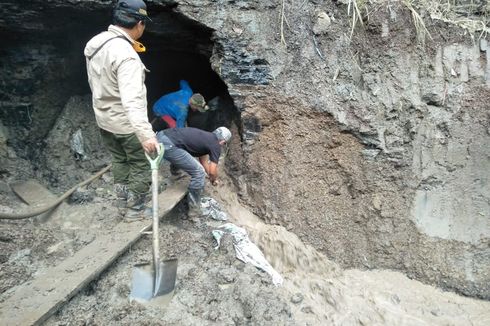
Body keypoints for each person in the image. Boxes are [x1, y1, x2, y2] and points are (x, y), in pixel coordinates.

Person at [84, 0, 158, 218]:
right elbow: (131, 100)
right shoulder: (127, 56)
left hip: (104, 120)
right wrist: (146, 135)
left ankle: (121, 202)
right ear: (140, 23)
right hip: (126, 124)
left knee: (119, 160)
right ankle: (135, 210)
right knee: (140, 164)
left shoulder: (96, 42)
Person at [156, 127, 232, 220]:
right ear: (223, 141)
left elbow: (203, 161)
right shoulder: (215, 145)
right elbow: (212, 171)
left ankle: (177, 176)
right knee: (199, 173)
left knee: (182, 152)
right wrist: (214, 179)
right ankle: (194, 211)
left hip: (161, 136)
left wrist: (210, 177)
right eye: (224, 143)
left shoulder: (206, 138)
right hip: (169, 144)